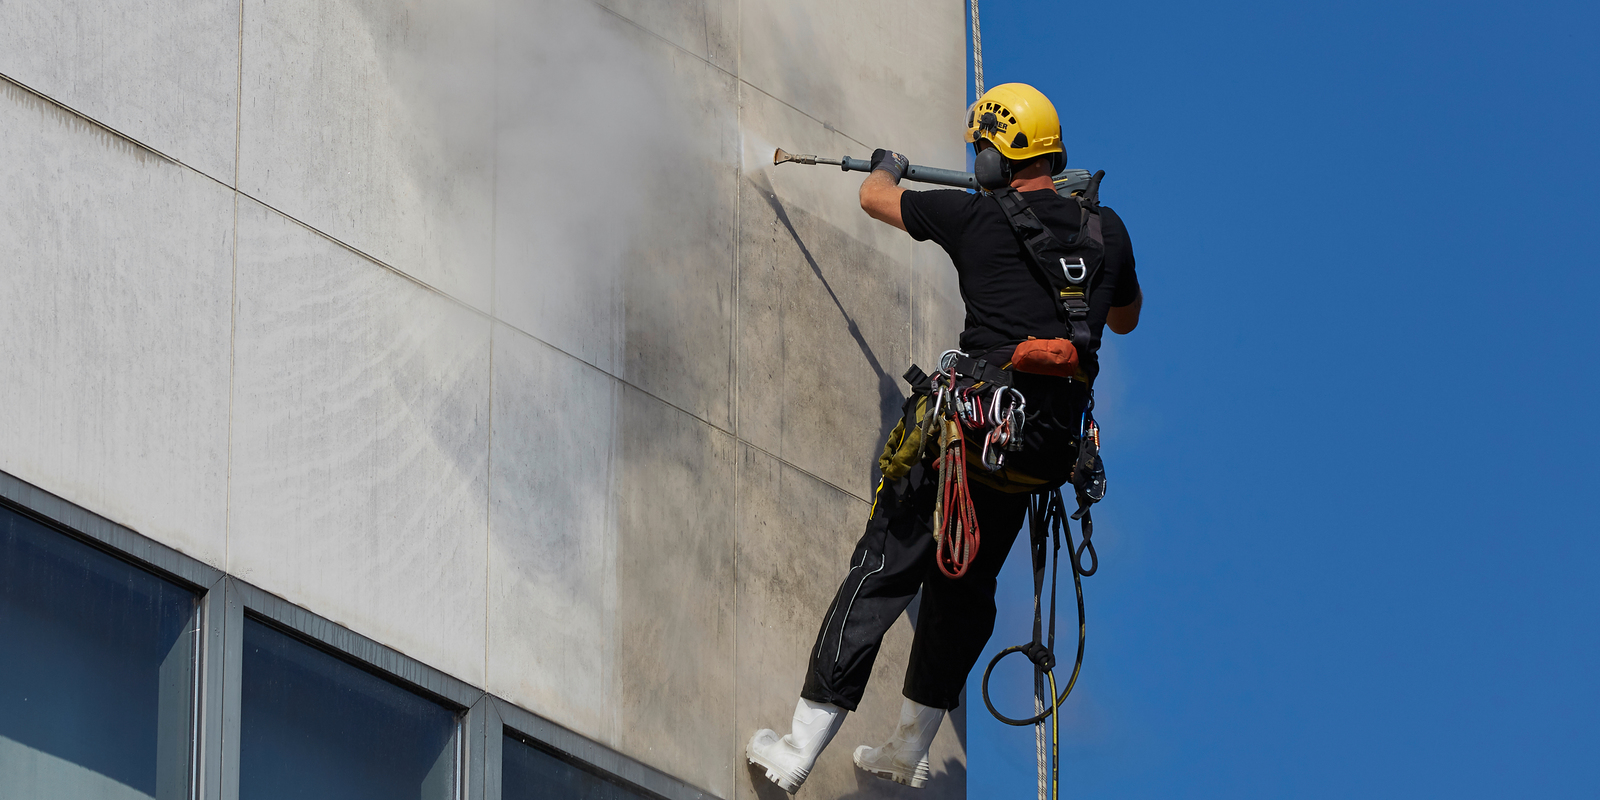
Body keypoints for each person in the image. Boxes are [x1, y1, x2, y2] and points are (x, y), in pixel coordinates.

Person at [747, 83, 1142, 793]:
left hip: (966, 441)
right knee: (964, 594)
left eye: (978, 147)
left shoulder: (974, 219)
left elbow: (874, 199)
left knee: (883, 573)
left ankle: (798, 748)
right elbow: (1124, 318)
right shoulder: (1105, 230)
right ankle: (907, 746)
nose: (974, 157)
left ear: (998, 153)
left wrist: (887, 163)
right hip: (1030, 458)